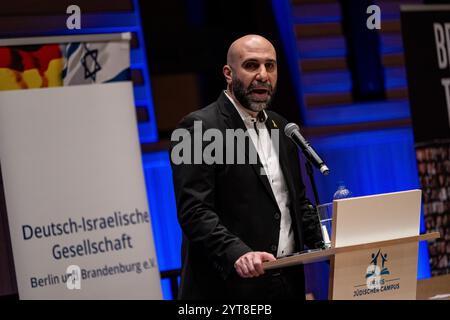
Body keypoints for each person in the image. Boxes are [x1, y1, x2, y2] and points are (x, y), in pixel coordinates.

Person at [170, 34, 323, 300]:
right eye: (252, 65)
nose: (263, 75)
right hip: (228, 289)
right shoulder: (198, 128)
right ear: (228, 73)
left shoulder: (280, 127)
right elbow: (194, 212)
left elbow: (294, 204)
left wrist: (330, 240)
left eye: (270, 66)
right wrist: (238, 253)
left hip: (286, 282)